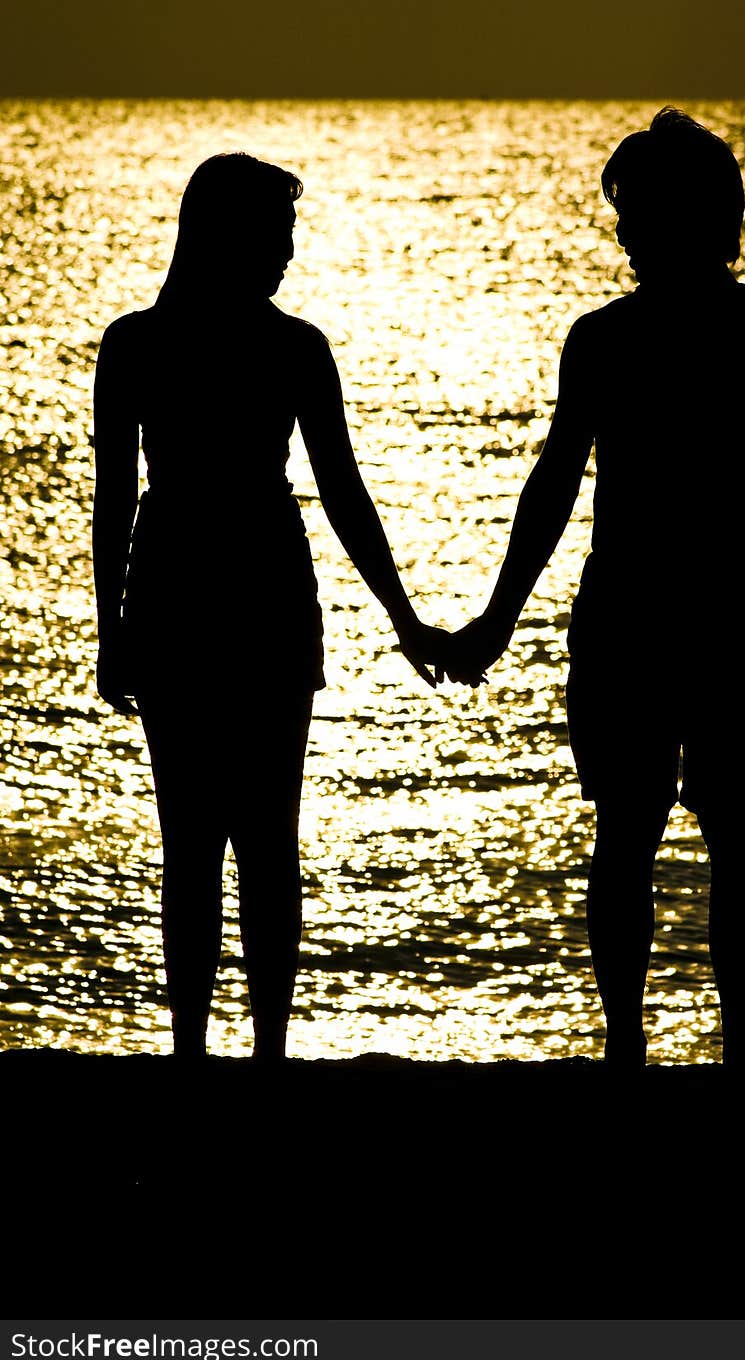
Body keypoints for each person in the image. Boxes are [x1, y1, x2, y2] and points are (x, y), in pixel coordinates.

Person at [442, 109, 745, 1069]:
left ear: (684, 218)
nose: (622, 232)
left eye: (636, 213)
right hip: (707, 612)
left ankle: (654, 1050)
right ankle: (694, 1050)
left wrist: (497, 619)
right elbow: (561, 481)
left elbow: (558, 482)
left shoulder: (628, 342)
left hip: (667, 614)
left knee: (664, 834)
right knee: (709, 834)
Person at [93, 153, 443, 1061]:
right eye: (276, 230)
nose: (288, 250)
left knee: (208, 846)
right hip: (239, 595)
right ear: (231, 234)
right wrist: (404, 619)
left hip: (182, 592)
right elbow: (342, 494)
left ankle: (213, 1053)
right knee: (252, 843)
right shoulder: (285, 349)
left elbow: (116, 503)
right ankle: (252, 1054)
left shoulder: (141, 344)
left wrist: (112, 629)